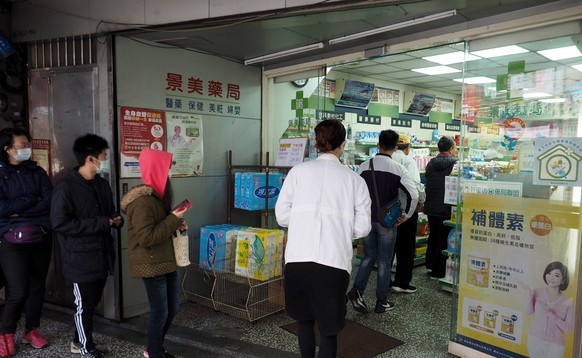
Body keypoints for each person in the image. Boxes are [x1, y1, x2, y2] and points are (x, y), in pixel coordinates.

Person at [275, 119, 371, 358]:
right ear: (343, 145)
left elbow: (282, 215)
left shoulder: (297, 172)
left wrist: (302, 221)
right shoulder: (354, 180)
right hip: (334, 262)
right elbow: (363, 227)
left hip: (298, 259)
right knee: (329, 329)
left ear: (317, 143)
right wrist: (340, 228)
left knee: (304, 321)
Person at [51, 134, 123, 358]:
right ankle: (85, 346)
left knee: (91, 303)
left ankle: (78, 340)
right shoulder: (66, 189)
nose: (105, 160)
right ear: (91, 159)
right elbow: (60, 223)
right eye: (103, 156)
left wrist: (116, 219)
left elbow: (109, 212)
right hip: (79, 258)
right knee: (84, 306)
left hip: (101, 254)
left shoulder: (101, 184)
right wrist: (103, 222)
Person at [120, 148, 189, 358]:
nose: (168, 174)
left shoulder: (156, 198)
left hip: (164, 260)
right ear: (157, 170)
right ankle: (154, 352)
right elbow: (147, 238)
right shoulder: (143, 202)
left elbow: (160, 228)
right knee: (161, 311)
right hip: (151, 263)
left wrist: (176, 222)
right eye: (166, 169)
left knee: (171, 309)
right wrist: (173, 220)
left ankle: (154, 348)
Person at [347, 130, 418, 314]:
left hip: (367, 219)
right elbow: (414, 195)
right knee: (385, 262)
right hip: (387, 221)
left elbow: (354, 192)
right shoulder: (398, 169)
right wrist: (407, 215)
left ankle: (357, 290)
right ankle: (381, 302)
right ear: (395, 148)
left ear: (378, 145)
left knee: (368, 257)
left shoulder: (363, 166)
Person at [0, 128, 53, 356]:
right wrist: (32, 201)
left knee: (37, 287)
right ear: (8, 149)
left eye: (28, 144)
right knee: (18, 290)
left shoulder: (36, 171)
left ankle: (32, 329)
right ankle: (6, 332)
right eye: (22, 145)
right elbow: (1, 208)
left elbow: (50, 198)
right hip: (10, 238)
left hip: (40, 234)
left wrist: (20, 210)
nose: (27, 148)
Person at [390, 133, 425, 294]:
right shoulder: (408, 161)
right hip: (405, 210)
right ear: (407, 147)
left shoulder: (384, 160)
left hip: (386, 211)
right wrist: (421, 202)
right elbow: (415, 185)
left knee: (388, 248)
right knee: (406, 247)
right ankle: (402, 282)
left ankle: (385, 281)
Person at [518, 261, 574, 358]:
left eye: (556, 275)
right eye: (549, 273)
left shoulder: (568, 302)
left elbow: (568, 329)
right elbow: (528, 312)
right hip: (535, 340)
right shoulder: (536, 292)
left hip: (556, 346)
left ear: (563, 280)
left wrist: (551, 314)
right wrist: (529, 294)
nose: (551, 277)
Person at [423, 136, 457, 280]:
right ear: (451, 149)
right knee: (443, 239)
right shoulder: (454, 164)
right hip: (446, 206)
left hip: (431, 206)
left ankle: (430, 265)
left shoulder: (430, 163)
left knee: (433, 236)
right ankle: (438, 272)